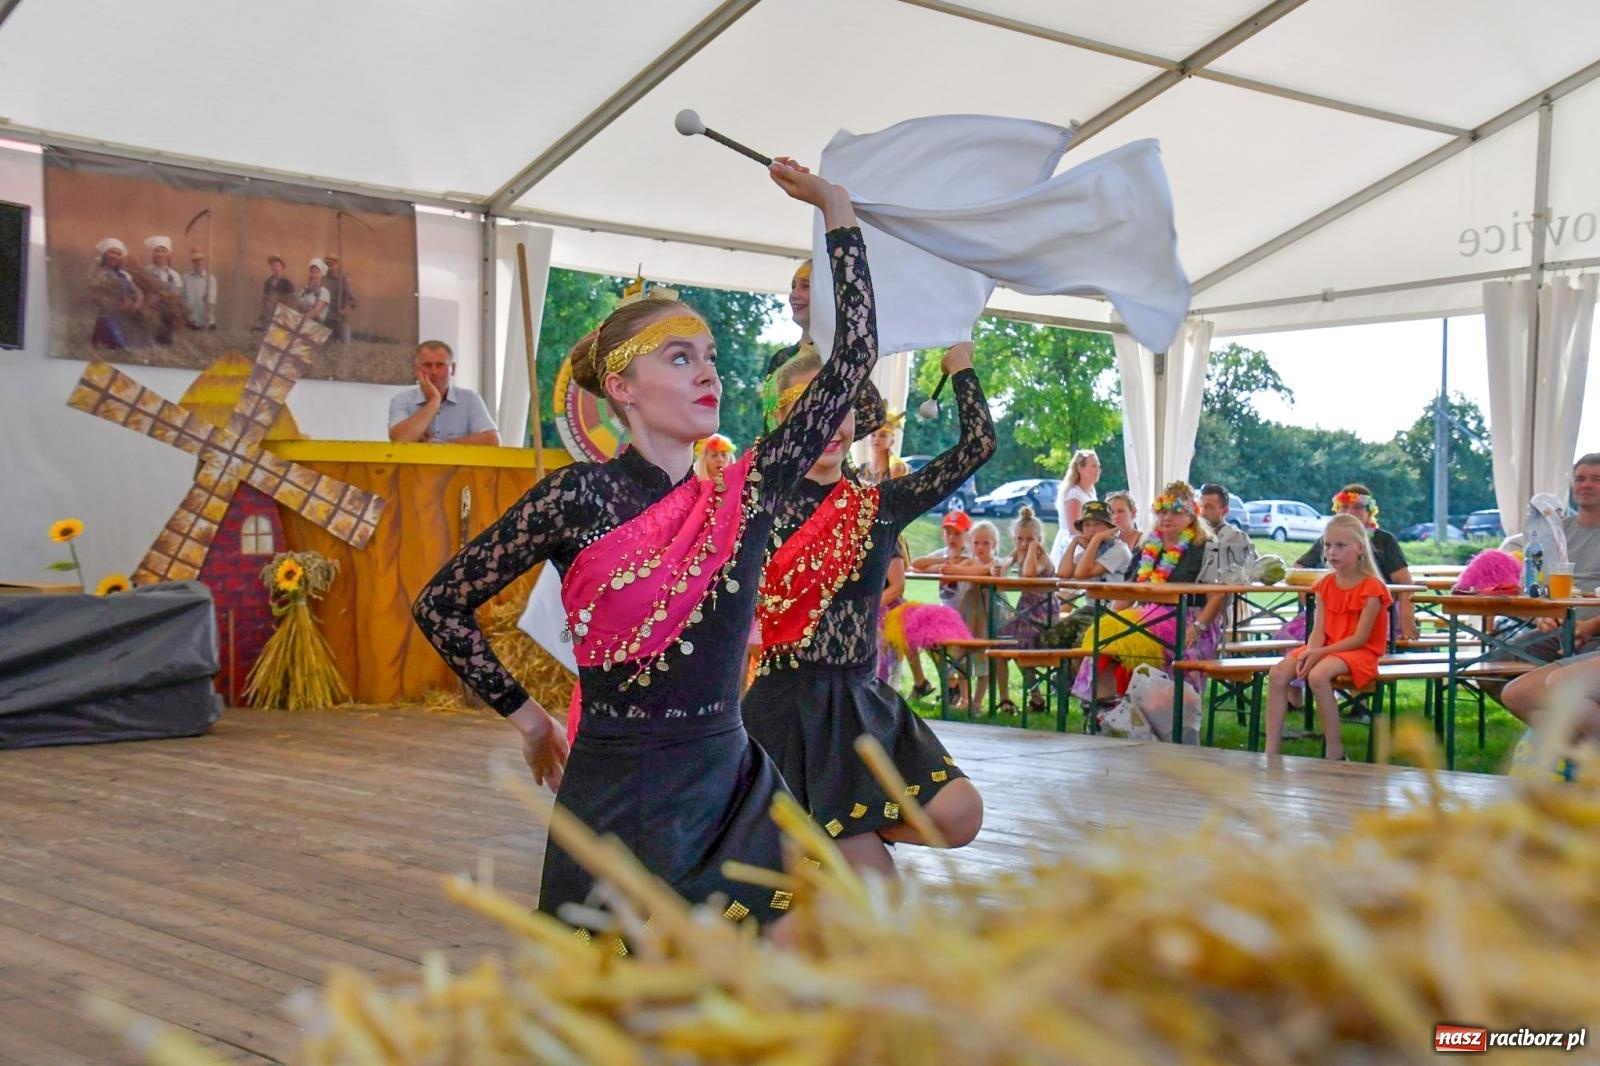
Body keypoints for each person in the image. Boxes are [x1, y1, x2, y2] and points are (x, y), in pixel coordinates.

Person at [411, 157, 875, 933]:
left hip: (734, 784)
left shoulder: (745, 492)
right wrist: (531, 720)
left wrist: (836, 212)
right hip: (618, 793)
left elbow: (854, 356)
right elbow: (441, 605)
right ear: (622, 389)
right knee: (639, 996)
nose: (708, 375)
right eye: (680, 357)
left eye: (711, 358)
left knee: (809, 952)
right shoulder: (576, 497)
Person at [743, 339, 991, 877]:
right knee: (879, 894)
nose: (830, 421)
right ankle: (820, 839)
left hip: (863, 701)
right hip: (788, 709)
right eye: (809, 407)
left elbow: (978, 445)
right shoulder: (756, 501)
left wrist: (961, 369)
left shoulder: (881, 504)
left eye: (842, 404)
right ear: (781, 421)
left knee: (960, 814)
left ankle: (825, 835)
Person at [1070, 481, 1228, 708]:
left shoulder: (1206, 547)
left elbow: (1218, 595)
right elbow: (1128, 591)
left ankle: (1153, 712)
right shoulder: (1147, 547)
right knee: (1101, 641)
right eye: (1162, 512)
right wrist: (1111, 620)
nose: (1167, 518)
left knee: (1126, 644)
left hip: (1190, 621)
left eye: (1176, 512)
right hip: (1146, 617)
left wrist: (1198, 627)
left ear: (1192, 515)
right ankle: (1104, 711)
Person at [1264, 513, 1392, 761]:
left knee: (1318, 675)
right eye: (1328, 545)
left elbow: (1360, 638)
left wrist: (1318, 654)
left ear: (1360, 548)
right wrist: (1311, 652)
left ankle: (1335, 750)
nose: (1332, 552)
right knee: (1278, 674)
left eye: (1340, 546)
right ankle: (1271, 750)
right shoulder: (1325, 585)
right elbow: (1319, 630)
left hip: (1359, 651)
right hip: (1327, 647)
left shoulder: (1372, 588)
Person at [1295, 484, 1418, 640]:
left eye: (1357, 507)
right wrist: (1312, 601)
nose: (1349, 512)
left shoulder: (1384, 540)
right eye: (1344, 506)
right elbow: (1299, 568)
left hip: (1376, 612)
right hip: (1332, 612)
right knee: (1293, 640)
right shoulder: (1329, 539)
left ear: (1369, 513)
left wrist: (1407, 620)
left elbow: (1404, 582)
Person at [996, 504, 1056, 714]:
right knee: (999, 644)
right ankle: (1005, 699)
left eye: (1029, 539)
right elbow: (1002, 567)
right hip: (1024, 612)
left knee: (1018, 645)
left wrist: (1032, 549)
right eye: (1019, 539)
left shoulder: (1042, 558)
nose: (1023, 544)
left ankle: (1036, 696)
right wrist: (1005, 565)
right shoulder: (1019, 551)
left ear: (1039, 539)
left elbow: (1030, 573)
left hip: (1043, 614)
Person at [388, 340, 501, 446]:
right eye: (427, 365)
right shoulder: (402, 400)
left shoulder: (470, 399)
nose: (434, 372)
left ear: (453, 369)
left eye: (440, 365)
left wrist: (436, 443)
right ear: (416, 369)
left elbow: (493, 440)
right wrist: (434, 402)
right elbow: (399, 440)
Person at [87, 238, 146, 350]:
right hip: (108, 315)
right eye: (112, 252)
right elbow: (96, 295)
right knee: (118, 342)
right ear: (105, 254)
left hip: (129, 313)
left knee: (142, 339)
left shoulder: (124, 274)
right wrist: (118, 306)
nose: (115, 256)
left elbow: (139, 293)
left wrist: (136, 304)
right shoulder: (98, 273)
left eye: (118, 254)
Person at [1198, 483, 1257, 581]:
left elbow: (1254, 572)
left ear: (1225, 511)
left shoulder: (1236, 537)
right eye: (1200, 506)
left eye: (1209, 507)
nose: (1202, 512)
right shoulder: (1190, 535)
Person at [1050, 449, 1100, 563]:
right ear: (1080, 468)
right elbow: (1074, 528)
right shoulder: (1074, 494)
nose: (1097, 469)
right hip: (1074, 546)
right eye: (1093, 466)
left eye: (1098, 466)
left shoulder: (1090, 492)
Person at [140, 236, 184, 346]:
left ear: (168, 254)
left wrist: (166, 298)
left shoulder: (174, 275)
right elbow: (142, 294)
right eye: (157, 251)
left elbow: (177, 296)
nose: (160, 254)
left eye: (163, 251)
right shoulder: (145, 272)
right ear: (152, 254)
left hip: (168, 318)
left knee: (167, 344)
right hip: (150, 316)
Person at [860, 410, 911, 486]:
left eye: (883, 435)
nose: (876, 439)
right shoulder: (861, 469)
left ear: (892, 441)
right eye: (873, 435)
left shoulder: (897, 468)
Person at [323, 253, 357, 343]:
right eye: (327, 265)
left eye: (331, 265)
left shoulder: (344, 279)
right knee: (325, 345)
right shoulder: (323, 279)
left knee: (345, 345)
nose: (329, 267)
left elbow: (352, 300)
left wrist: (344, 310)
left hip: (341, 320)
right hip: (327, 319)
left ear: (337, 265)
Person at [256, 255, 297, 329]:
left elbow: (290, 303)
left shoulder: (287, 283)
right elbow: (265, 300)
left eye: (278, 265)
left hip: (282, 314)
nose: (275, 268)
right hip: (269, 314)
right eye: (273, 265)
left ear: (282, 267)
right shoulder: (268, 282)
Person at [183, 249, 218, 330]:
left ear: (204, 261)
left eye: (200, 260)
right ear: (192, 261)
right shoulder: (185, 278)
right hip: (191, 321)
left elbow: (211, 300)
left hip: (206, 322)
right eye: (195, 260)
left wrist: (209, 313)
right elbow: (183, 298)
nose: (198, 262)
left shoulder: (210, 279)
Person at [299, 259, 331, 323]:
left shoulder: (324, 292)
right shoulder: (304, 290)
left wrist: (299, 320)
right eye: (312, 271)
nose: (314, 275)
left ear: (322, 274)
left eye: (317, 272)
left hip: (314, 326)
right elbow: (298, 306)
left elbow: (315, 312)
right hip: (301, 322)